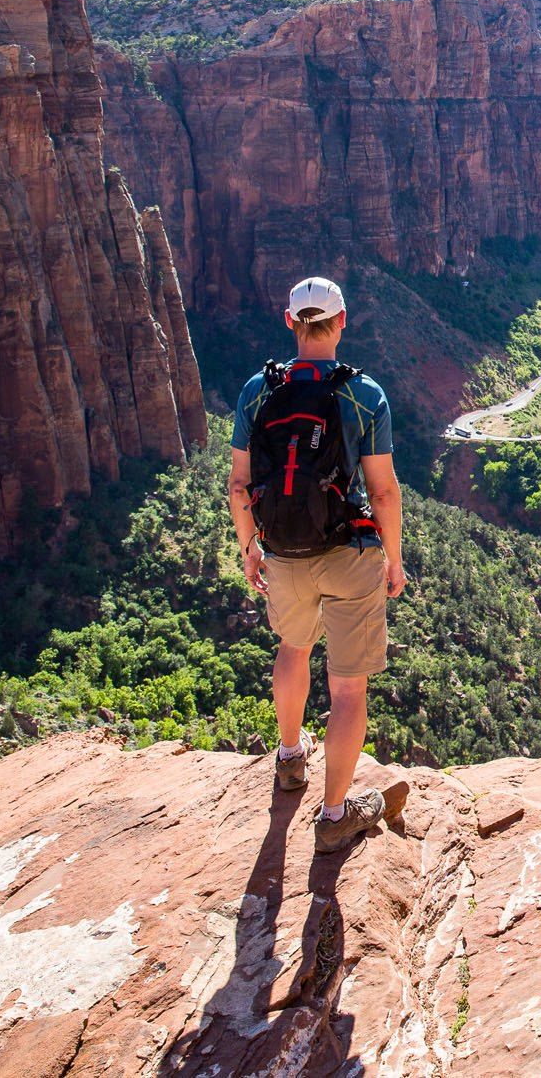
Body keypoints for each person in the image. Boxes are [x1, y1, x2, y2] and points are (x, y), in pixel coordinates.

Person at [228, 276, 410, 854]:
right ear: (342, 322)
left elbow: (238, 484)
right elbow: (383, 493)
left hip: (282, 551)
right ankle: (334, 816)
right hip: (348, 552)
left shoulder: (258, 390)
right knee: (349, 689)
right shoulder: (364, 394)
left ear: (289, 323)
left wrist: (249, 547)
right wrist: (395, 560)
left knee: (292, 649)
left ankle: (288, 759)